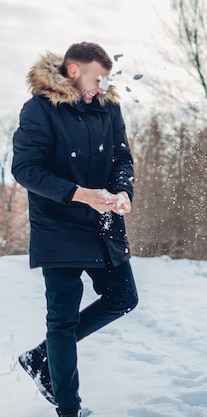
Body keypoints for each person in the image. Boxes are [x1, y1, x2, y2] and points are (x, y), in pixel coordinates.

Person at [11, 42, 139, 417]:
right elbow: (26, 170)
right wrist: (79, 194)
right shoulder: (39, 110)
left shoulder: (108, 107)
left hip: (104, 222)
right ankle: (69, 409)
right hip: (59, 225)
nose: (102, 86)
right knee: (62, 320)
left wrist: (123, 192)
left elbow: (121, 157)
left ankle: (40, 357)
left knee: (124, 297)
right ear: (72, 71)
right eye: (97, 78)